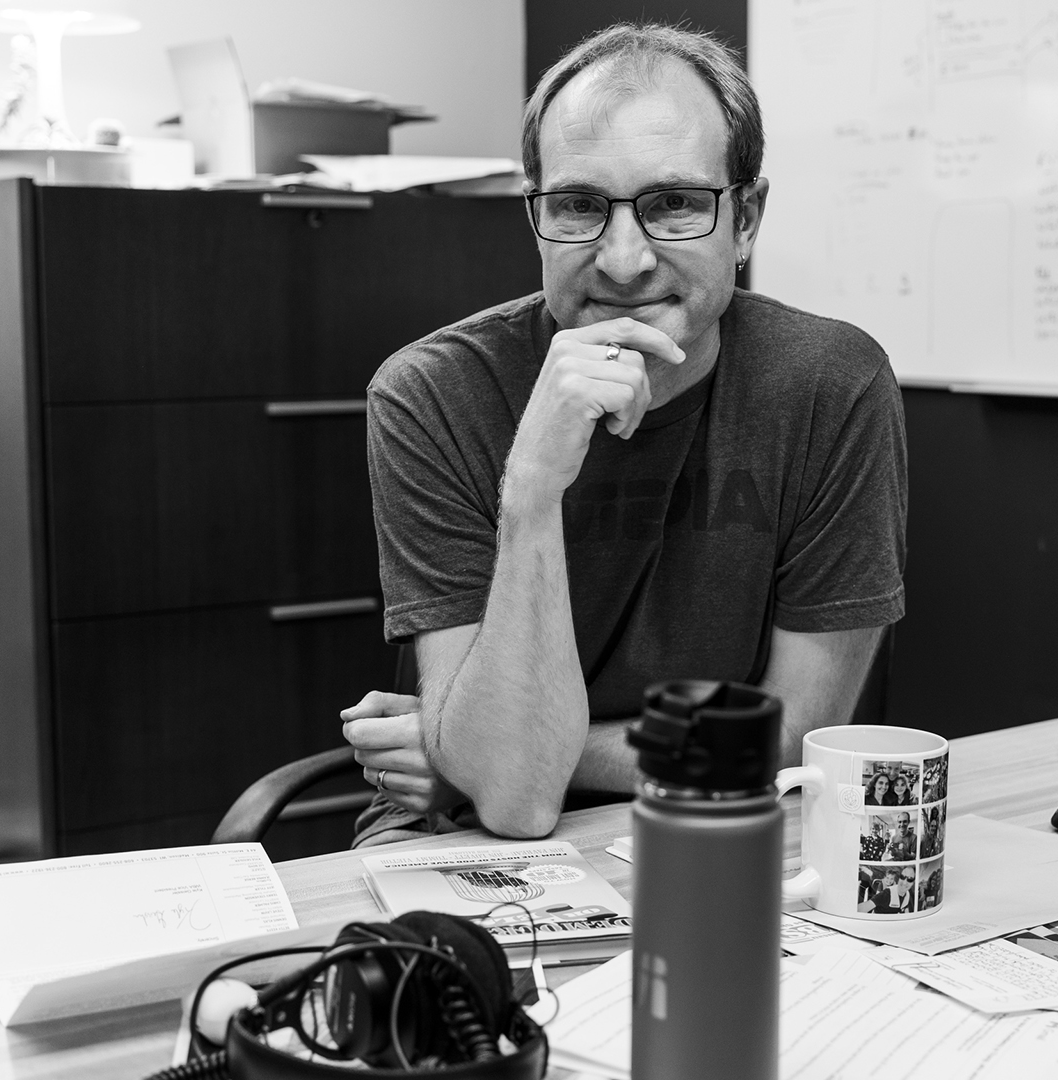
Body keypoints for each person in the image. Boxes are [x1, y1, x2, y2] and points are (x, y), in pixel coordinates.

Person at [340, 22, 908, 844]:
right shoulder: (434, 391)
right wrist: (532, 482)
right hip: (458, 832)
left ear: (745, 219)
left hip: (730, 820)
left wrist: (466, 743)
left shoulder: (831, 385)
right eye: (578, 206)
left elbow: (786, 751)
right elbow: (512, 799)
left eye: (674, 204)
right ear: (535, 219)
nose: (623, 259)